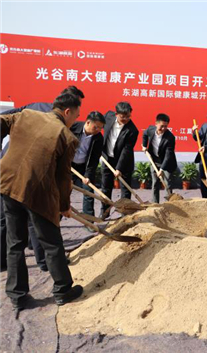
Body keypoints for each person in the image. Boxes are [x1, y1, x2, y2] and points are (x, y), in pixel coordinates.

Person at [1, 92, 84, 310]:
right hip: (36, 194)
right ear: (67, 112)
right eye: (75, 116)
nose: (74, 120)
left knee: (15, 242)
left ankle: (17, 296)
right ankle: (63, 290)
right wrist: (64, 206)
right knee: (51, 242)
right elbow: (64, 177)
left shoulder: (26, 115)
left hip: (8, 185)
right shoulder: (66, 136)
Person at [100, 102, 139, 218]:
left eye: (128, 116)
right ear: (116, 114)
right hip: (107, 158)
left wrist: (119, 168)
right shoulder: (108, 116)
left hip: (124, 162)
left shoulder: (132, 130)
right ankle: (105, 211)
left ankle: (124, 214)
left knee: (125, 190)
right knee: (105, 187)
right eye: (123, 116)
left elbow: (126, 150)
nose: (126, 119)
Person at [70, 111, 105, 216]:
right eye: (96, 127)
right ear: (88, 122)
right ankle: (56, 221)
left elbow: (94, 159)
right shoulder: (72, 128)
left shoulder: (98, 138)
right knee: (63, 193)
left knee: (88, 191)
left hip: (84, 167)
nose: (98, 130)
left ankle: (89, 220)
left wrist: (88, 175)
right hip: (68, 165)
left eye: (100, 128)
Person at [142, 113, 177, 203]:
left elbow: (168, 155)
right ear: (156, 124)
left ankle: (169, 205)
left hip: (167, 163)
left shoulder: (170, 137)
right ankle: (155, 204)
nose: (163, 129)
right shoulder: (150, 129)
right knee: (155, 183)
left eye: (166, 126)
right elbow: (144, 134)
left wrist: (161, 169)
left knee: (167, 184)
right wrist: (144, 146)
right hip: (154, 160)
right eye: (161, 126)